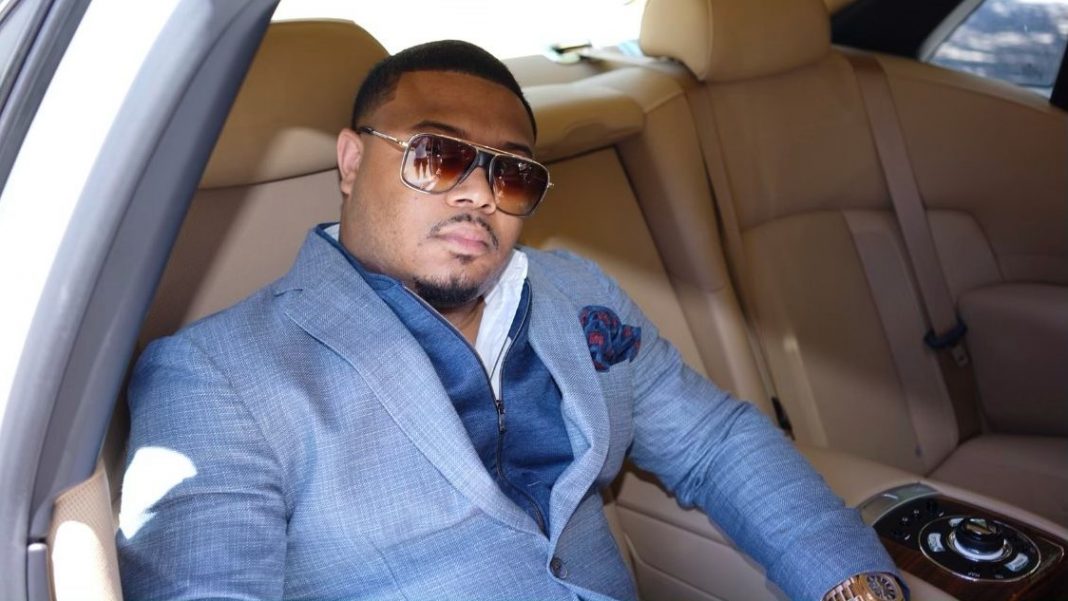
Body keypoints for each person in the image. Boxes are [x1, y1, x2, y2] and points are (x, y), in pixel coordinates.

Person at [117, 40, 905, 601]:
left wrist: (852, 582)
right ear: (352, 162)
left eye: (513, 173)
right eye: (438, 155)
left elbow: (714, 443)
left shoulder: (579, 291)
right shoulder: (216, 373)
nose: (479, 194)